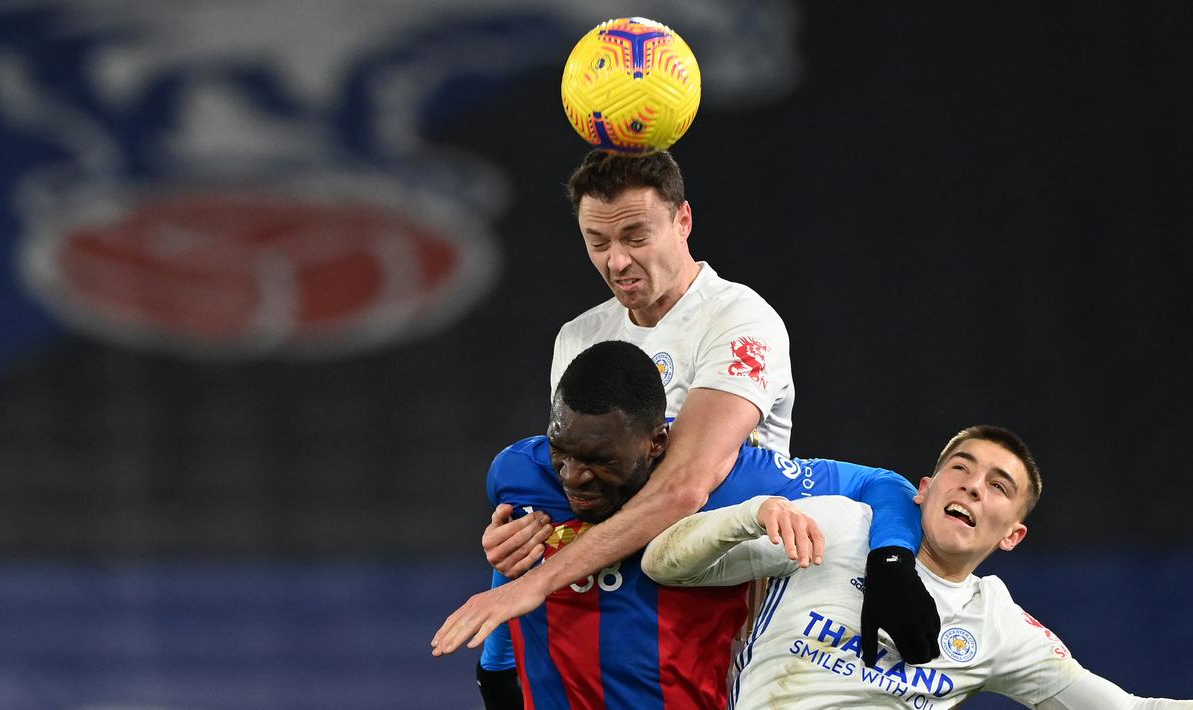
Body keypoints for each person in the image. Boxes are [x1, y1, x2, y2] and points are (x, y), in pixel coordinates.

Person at [435, 150, 940, 675]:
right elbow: (585, 483)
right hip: (620, 620)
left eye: (635, 236)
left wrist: (537, 582)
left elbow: (685, 486)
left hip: (722, 618)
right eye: (597, 242)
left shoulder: (740, 320)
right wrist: (526, 535)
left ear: (683, 221)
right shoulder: (578, 338)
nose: (616, 261)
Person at [444, 340, 931, 708]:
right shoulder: (520, 471)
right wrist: (497, 673)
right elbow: (515, 569)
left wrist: (892, 562)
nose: (573, 477)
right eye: (561, 451)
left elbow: (884, 484)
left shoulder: (733, 480)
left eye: (598, 460)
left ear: (657, 442)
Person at [640, 425, 1193, 708]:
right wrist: (750, 515)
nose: (974, 487)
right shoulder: (835, 524)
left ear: (1012, 536)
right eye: (961, 469)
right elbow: (665, 564)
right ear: (924, 490)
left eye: (998, 488)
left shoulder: (995, 625)